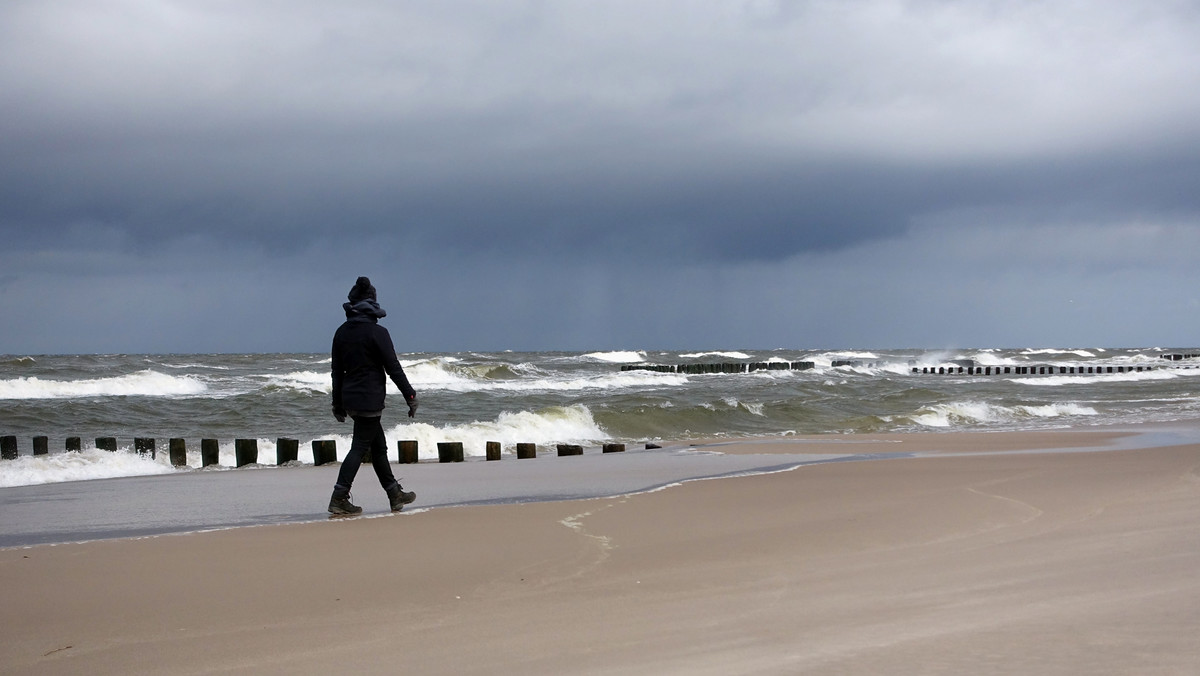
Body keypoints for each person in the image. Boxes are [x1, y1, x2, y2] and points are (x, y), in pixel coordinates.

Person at [328, 276, 419, 515]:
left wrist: (337, 403)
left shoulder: (341, 332)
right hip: (369, 399)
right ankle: (339, 497)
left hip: (351, 399)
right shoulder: (378, 333)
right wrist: (410, 395)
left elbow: (336, 372)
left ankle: (394, 493)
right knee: (359, 447)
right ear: (372, 303)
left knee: (378, 448)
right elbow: (393, 368)